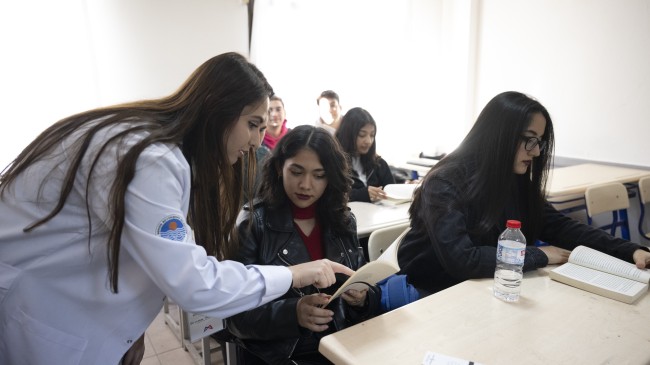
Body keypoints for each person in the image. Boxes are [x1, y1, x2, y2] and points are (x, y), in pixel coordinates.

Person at [0, 52, 354, 365]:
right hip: (38, 308)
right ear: (218, 109)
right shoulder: (153, 159)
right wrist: (296, 274)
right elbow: (194, 283)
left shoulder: (160, 152)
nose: (257, 141)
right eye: (252, 124)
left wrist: (131, 326)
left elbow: (152, 252)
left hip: (61, 303)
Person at [398, 91, 650, 296]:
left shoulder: (513, 179)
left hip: (485, 286)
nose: (537, 152)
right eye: (530, 139)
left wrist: (629, 250)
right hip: (433, 292)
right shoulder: (445, 182)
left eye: (539, 141)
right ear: (499, 136)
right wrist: (539, 254)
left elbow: (560, 227)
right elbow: (462, 260)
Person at [226, 125, 381, 365]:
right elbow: (235, 317)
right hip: (284, 354)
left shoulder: (342, 220)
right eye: (296, 172)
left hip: (340, 345)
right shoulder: (253, 223)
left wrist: (362, 298)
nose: (306, 185)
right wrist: (293, 313)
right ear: (280, 168)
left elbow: (363, 281)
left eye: (319, 175)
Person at [335, 107, 395, 203]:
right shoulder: (335, 163)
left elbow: (392, 191)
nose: (368, 141)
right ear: (348, 134)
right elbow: (333, 195)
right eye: (362, 135)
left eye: (372, 135)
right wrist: (362, 194)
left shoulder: (379, 164)